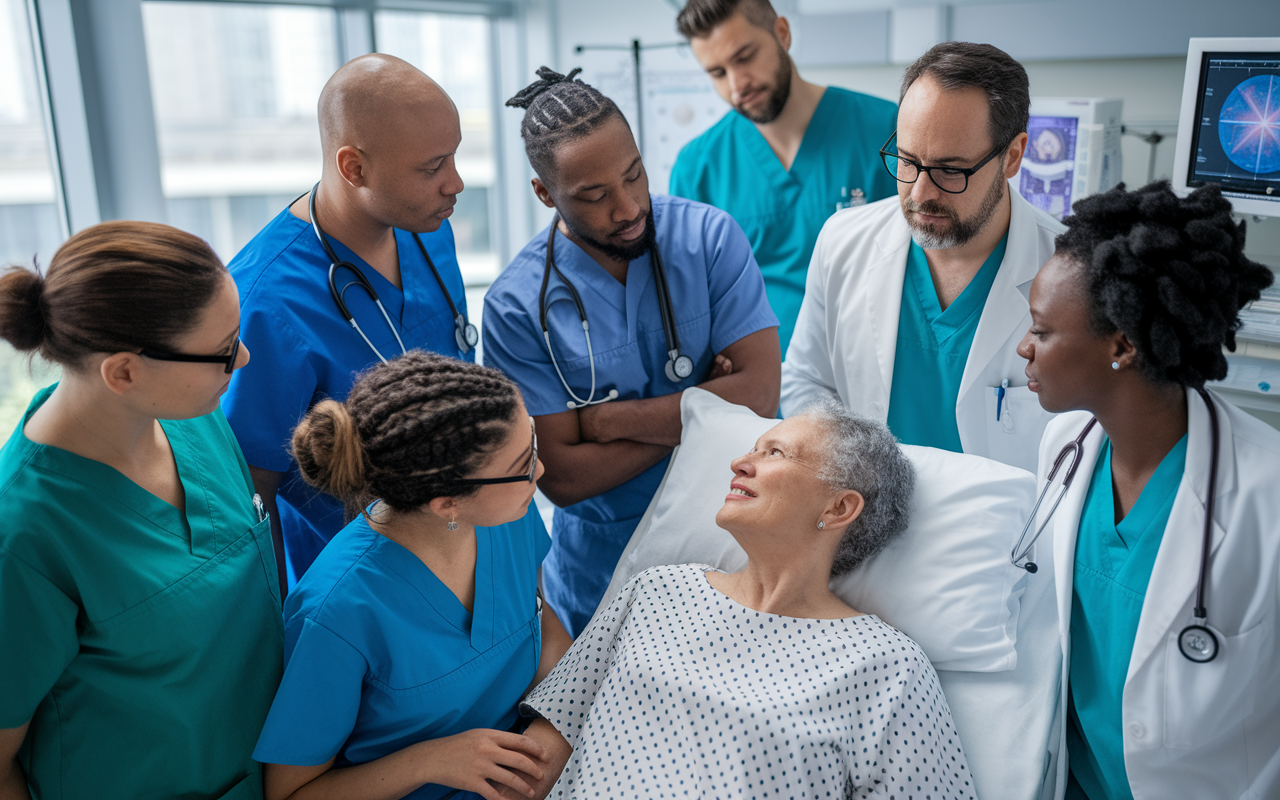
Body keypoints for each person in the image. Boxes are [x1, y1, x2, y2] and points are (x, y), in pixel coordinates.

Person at [521, 401, 976, 799]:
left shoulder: (887, 665)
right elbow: (538, 763)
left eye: (775, 452)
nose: (740, 462)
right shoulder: (655, 591)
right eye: (753, 448)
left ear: (838, 508)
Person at [483, 67, 781, 636]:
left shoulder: (708, 240)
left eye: (634, 175)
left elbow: (761, 396)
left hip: (734, 540)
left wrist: (606, 422)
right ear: (545, 194)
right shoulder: (515, 307)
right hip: (603, 570)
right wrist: (707, 410)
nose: (626, 208)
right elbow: (563, 477)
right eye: (593, 196)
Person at [0, 222, 283, 799]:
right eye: (225, 350)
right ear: (124, 371)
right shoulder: (24, 536)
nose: (244, 357)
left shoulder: (193, 417)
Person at [1016, 182, 1279, 799]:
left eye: (1042, 331)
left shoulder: (1266, 496)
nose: (1024, 348)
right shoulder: (1065, 447)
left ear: (1123, 346)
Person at [253, 351, 573, 800]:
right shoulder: (337, 611)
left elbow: (539, 623)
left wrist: (551, 730)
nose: (539, 471)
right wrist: (432, 760)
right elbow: (291, 794)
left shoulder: (506, 516)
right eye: (522, 466)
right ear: (447, 504)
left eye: (533, 445)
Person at [221, 53, 473, 591]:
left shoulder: (428, 228)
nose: (455, 183)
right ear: (353, 168)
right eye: (432, 168)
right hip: (361, 587)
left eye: (453, 157)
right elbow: (251, 499)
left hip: (465, 542)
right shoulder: (264, 301)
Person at [782, 42, 1064, 473]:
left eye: (951, 170)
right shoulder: (843, 242)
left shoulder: (1073, 273)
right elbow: (807, 380)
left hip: (1007, 533)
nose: (919, 194)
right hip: (870, 519)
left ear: (1012, 156)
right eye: (908, 161)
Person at [670, 0, 898, 352]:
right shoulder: (698, 167)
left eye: (744, 56)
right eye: (717, 73)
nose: (736, 85)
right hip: (760, 386)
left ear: (782, 33)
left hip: (870, 364)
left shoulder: (886, 130)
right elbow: (692, 303)